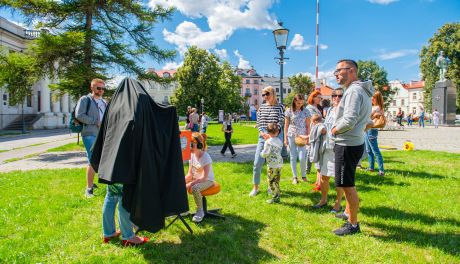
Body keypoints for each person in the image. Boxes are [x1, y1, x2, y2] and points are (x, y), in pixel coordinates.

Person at [331, 59, 373, 236]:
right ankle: (348, 213)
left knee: (347, 185)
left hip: (347, 144)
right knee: (348, 182)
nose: (336, 74)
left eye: (339, 70)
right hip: (353, 142)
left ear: (352, 71)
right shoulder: (359, 90)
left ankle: (353, 225)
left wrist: (334, 129)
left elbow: (350, 119)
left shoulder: (354, 91)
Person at [313, 88, 345, 212]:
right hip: (327, 147)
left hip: (339, 147)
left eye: (340, 96)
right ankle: (324, 199)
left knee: (339, 178)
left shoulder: (345, 111)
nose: (336, 98)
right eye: (334, 96)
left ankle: (338, 203)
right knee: (324, 176)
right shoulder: (330, 110)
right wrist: (322, 128)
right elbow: (327, 125)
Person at [250, 86, 285, 197]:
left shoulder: (280, 107)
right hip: (263, 136)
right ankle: (255, 187)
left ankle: (272, 187)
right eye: (263, 95)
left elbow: (281, 120)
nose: (265, 97)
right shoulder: (262, 107)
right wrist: (262, 133)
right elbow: (259, 122)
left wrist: (274, 133)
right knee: (257, 163)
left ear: (273, 93)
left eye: (267, 94)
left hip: (275, 136)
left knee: (274, 164)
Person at [75, 78, 107, 198]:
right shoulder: (85, 99)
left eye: (103, 88)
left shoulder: (104, 102)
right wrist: (95, 121)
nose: (101, 90)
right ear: (92, 88)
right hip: (89, 134)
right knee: (93, 159)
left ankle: (93, 183)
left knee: (102, 159)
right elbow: (79, 115)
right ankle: (88, 189)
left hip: (102, 134)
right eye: (98, 88)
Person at [185, 133, 215, 223]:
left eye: (191, 145)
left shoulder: (206, 157)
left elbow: (204, 177)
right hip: (197, 179)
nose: (189, 147)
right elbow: (190, 174)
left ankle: (200, 211)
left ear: (199, 145)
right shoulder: (192, 156)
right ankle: (182, 209)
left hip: (207, 180)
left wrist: (190, 183)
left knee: (195, 188)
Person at [284, 94, 311, 184]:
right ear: (294, 101)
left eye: (302, 103)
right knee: (293, 156)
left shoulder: (306, 111)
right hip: (291, 135)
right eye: (298, 103)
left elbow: (308, 126)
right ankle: (294, 177)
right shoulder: (289, 111)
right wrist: (285, 138)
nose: (300, 105)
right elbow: (286, 125)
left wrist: (308, 137)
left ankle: (303, 176)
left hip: (302, 136)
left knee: (302, 157)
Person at [260, 123, 283, 204]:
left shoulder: (268, 142)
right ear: (277, 132)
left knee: (271, 181)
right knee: (276, 181)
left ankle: (274, 197)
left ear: (268, 132)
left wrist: (261, 153)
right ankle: (277, 196)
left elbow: (265, 153)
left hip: (272, 165)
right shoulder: (279, 141)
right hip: (279, 164)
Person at [366, 91, 385, 177]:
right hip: (369, 129)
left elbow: (368, 117)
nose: (371, 99)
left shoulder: (376, 108)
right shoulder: (376, 107)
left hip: (372, 130)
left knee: (375, 151)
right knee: (369, 150)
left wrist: (372, 116)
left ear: (376, 98)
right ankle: (371, 167)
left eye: (373, 97)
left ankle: (381, 170)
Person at [306, 91, 322, 177]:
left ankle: (310, 169)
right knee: (310, 149)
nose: (320, 99)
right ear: (313, 97)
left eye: (321, 98)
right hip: (313, 130)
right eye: (319, 97)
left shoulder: (316, 107)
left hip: (317, 130)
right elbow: (315, 119)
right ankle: (307, 169)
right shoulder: (310, 107)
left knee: (313, 149)